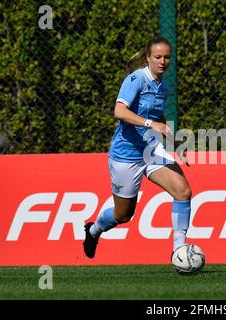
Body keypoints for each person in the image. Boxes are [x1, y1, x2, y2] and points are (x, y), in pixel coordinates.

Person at [83, 35, 191, 259]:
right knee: (123, 215)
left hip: (150, 150)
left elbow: (157, 115)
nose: (163, 61)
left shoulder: (164, 86)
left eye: (167, 57)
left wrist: (176, 143)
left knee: (183, 191)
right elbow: (119, 112)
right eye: (158, 57)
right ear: (148, 58)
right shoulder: (135, 79)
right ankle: (93, 230)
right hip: (126, 155)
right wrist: (152, 124)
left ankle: (179, 250)